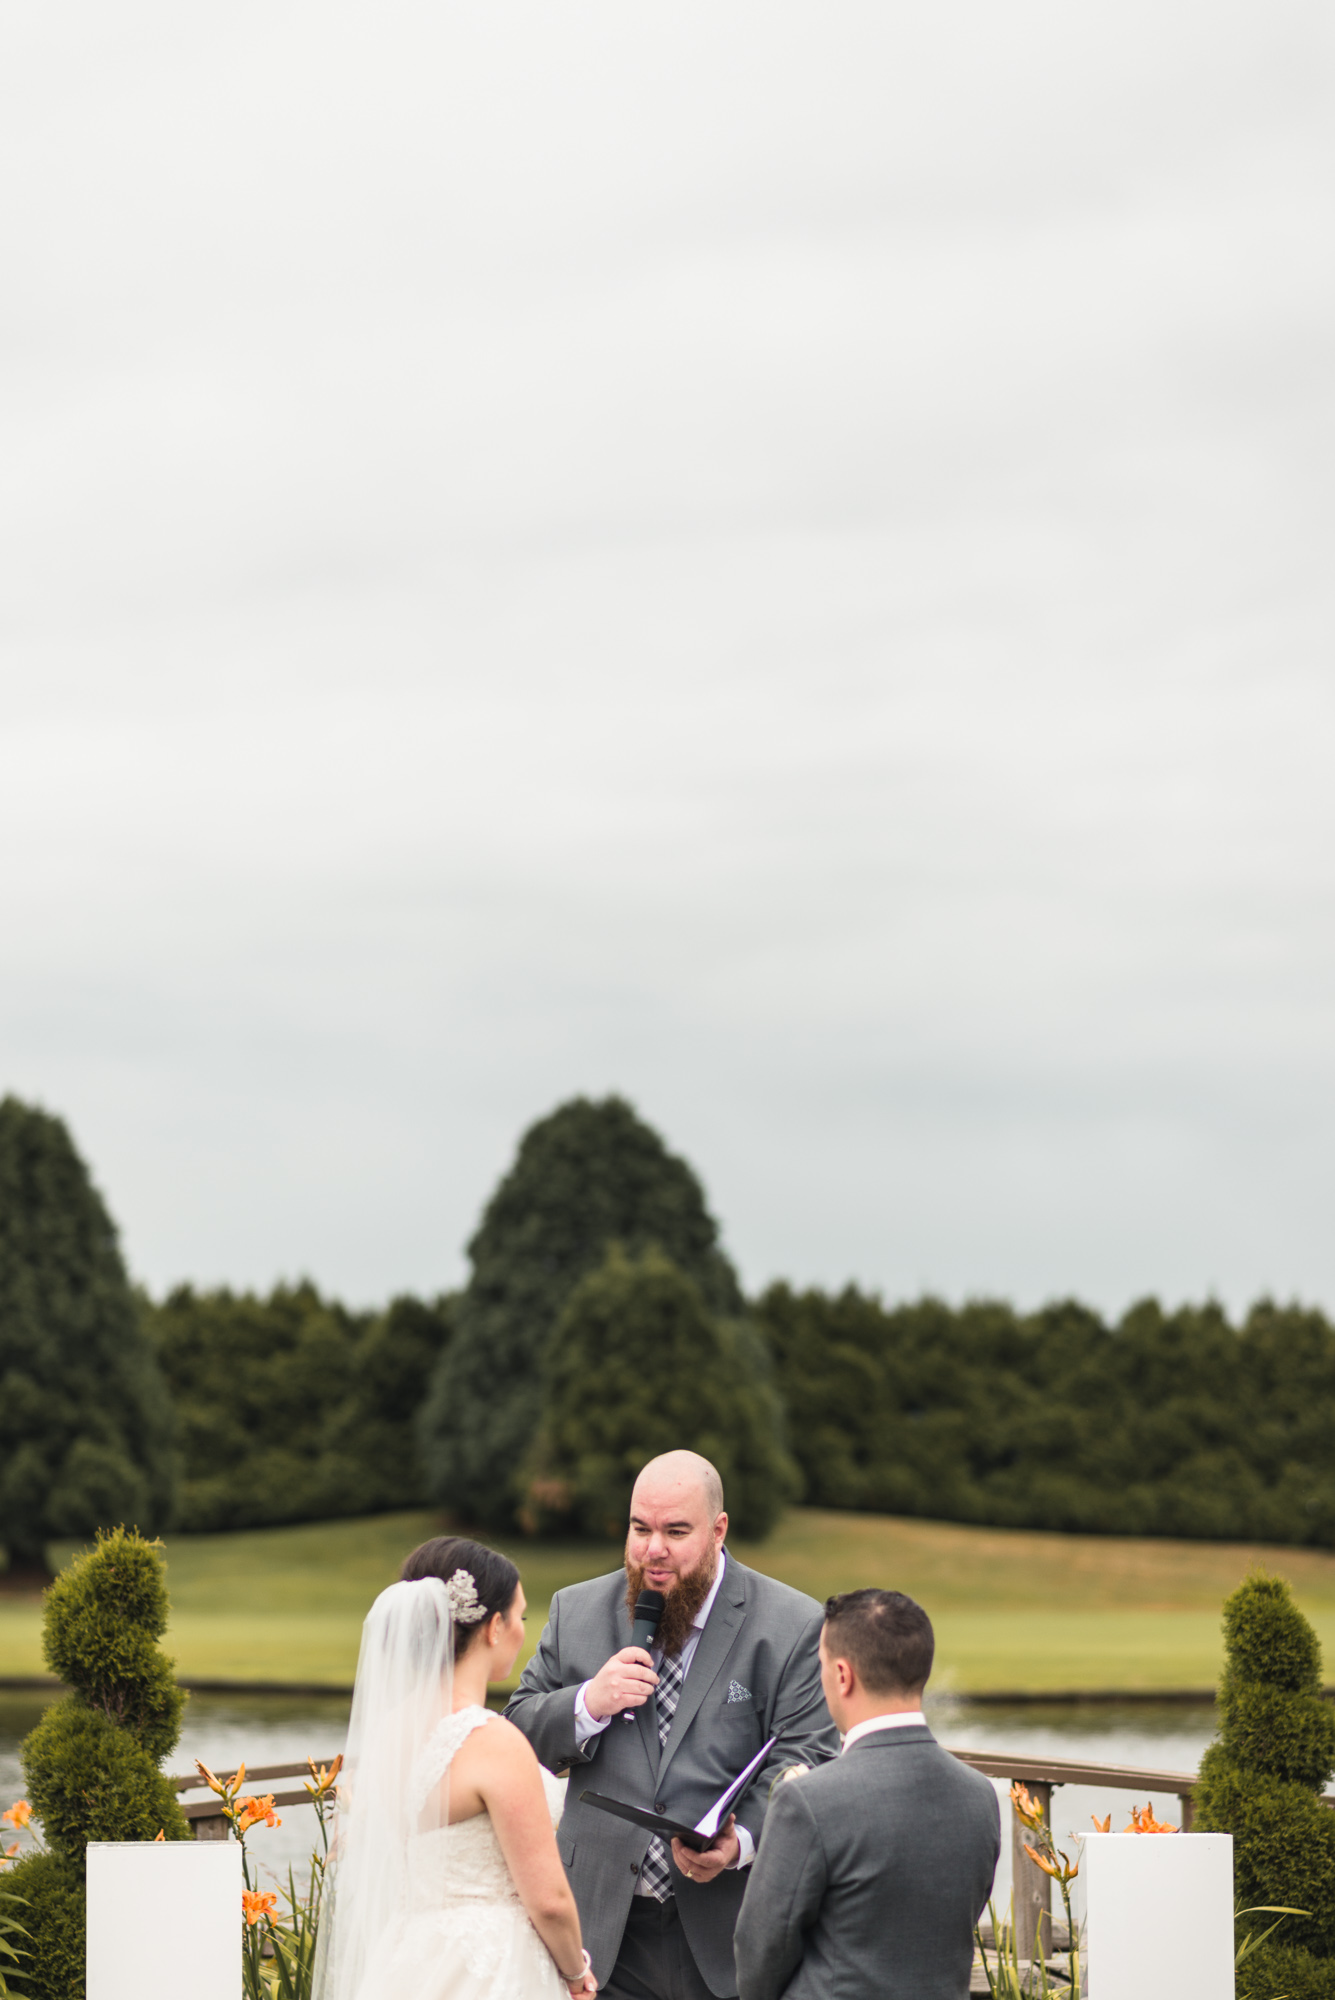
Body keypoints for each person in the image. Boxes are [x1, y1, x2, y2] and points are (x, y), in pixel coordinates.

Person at [506, 1450, 839, 2000]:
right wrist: (589, 1702)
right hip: (600, 1938)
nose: (653, 1550)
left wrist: (741, 1842)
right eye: (640, 1528)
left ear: (717, 1529)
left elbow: (807, 1754)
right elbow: (515, 1729)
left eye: (675, 1531)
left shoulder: (793, 1624)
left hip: (731, 1935)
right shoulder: (576, 1610)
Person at [312, 1535, 599, 2000]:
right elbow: (548, 1900)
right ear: (493, 1627)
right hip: (491, 1967)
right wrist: (574, 1973)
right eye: (520, 1616)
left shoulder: (388, 1735)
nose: (523, 1629)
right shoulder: (491, 1741)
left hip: (407, 1960)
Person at [733, 1589, 1001, 2000]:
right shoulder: (979, 1794)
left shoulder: (808, 1800)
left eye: (821, 1665)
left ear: (843, 1675)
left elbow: (760, 1951)